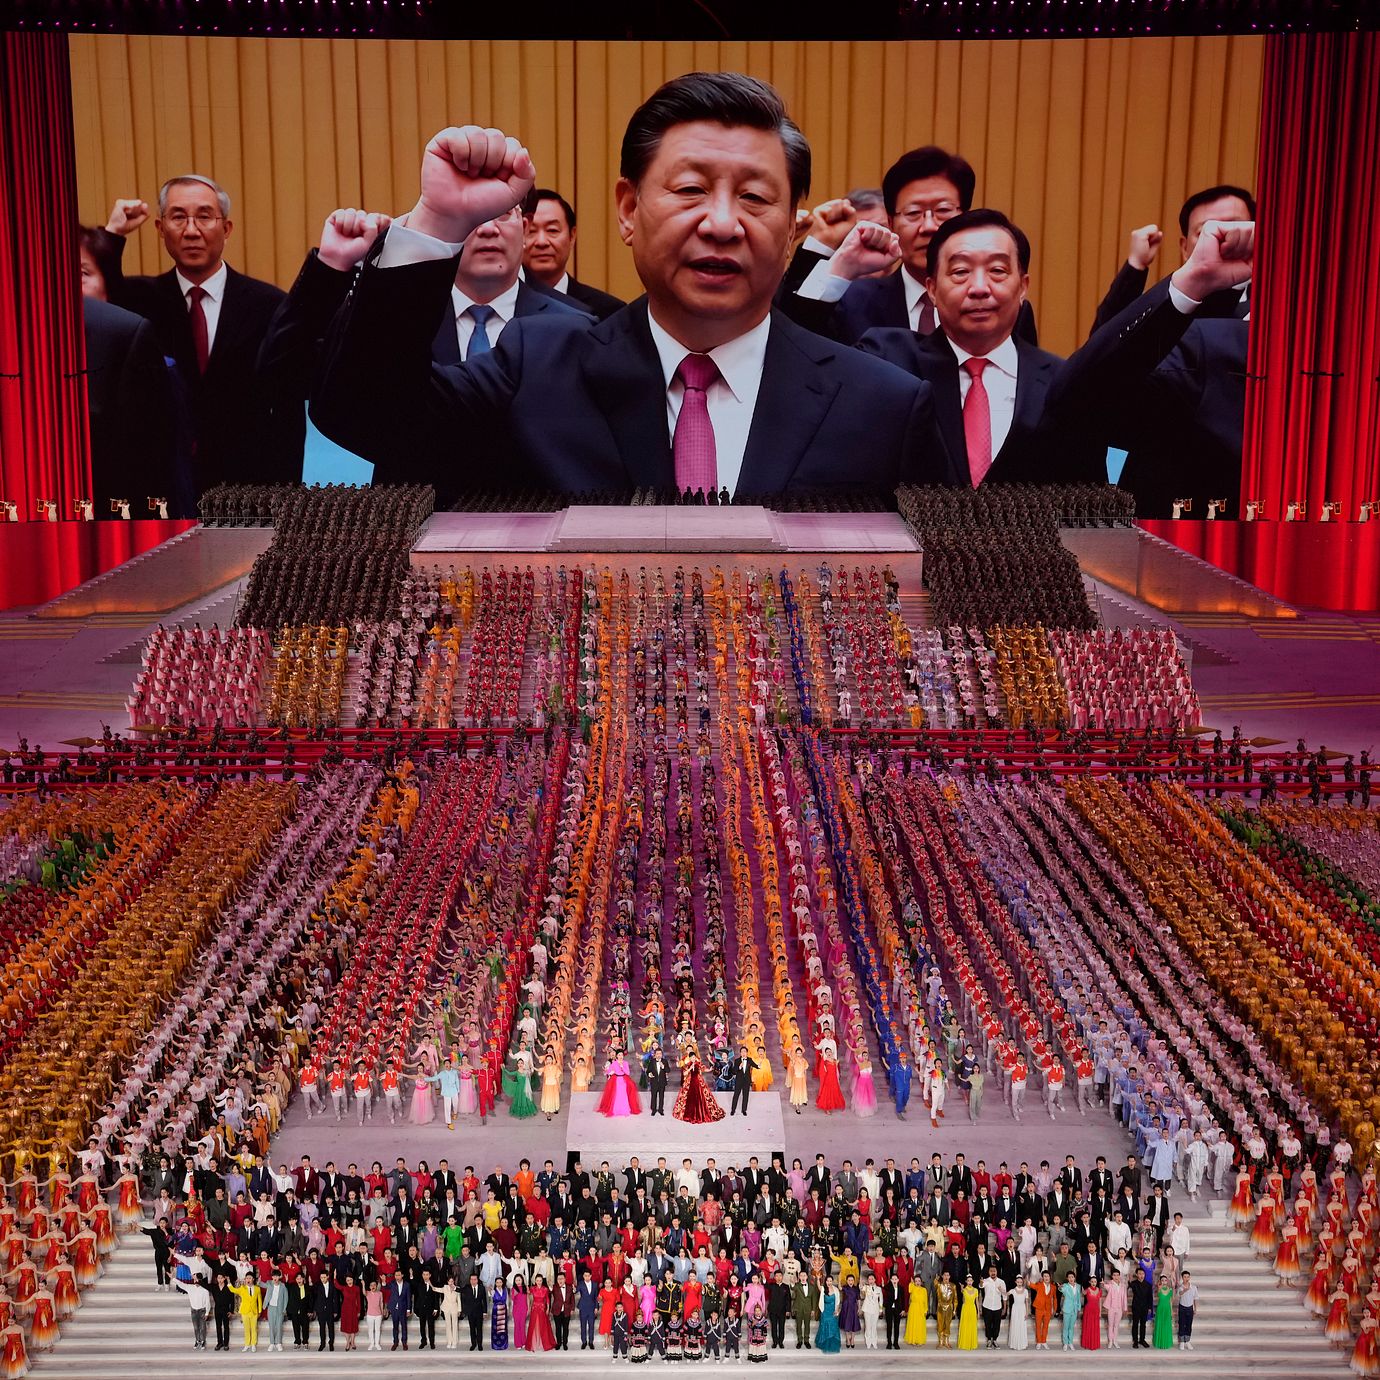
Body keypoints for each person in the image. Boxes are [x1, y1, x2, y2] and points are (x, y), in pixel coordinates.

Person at [306, 72, 949, 500]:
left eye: (756, 198)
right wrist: (438, 223)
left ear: (790, 230)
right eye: (690, 189)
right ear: (628, 209)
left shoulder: (884, 404)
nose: (722, 223)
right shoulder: (537, 369)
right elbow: (365, 417)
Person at [856, 209, 1106, 487]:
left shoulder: (1062, 382)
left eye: (997, 271)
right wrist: (839, 270)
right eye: (960, 272)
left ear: (1023, 287)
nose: (979, 288)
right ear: (932, 289)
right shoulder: (890, 358)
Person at [95, 179, 302, 502]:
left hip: (247, 491)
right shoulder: (138, 300)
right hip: (160, 486)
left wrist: (285, 496)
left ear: (226, 228)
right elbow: (98, 298)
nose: (191, 231)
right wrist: (113, 234)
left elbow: (288, 411)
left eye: (204, 216)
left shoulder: (270, 304)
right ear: (161, 229)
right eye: (178, 217)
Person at [1052, 214, 1254, 517]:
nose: (1227, 240)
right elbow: (1080, 397)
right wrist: (1190, 280)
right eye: (1210, 231)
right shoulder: (1202, 343)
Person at [780, 144, 1037, 346]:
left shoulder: (1001, 306)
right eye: (913, 213)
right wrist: (835, 258)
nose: (929, 226)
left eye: (943, 210)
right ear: (891, 223)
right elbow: (790, 336)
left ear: (965, 217)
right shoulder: (853, 301)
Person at [1090, 184, 1256, 333]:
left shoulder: (1269, 304)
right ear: (1185, 248)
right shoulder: (1172, 301)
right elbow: (1103, 348)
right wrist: (1135, 266)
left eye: (1234, 226)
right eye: (1204, 231)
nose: (1221, 235)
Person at [522, 188, 627, 320]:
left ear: (572, 236)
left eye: (552, 230)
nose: (541, 242)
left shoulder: (609, 311)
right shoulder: (503, 304)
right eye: (531, 231)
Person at [173, 1271, 211, 1350]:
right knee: (196, 1327)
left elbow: (208, 1303)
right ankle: (197, 1340)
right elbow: (181, 1284)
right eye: (194, 1279)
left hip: (202, 1311)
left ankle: (203, 1341)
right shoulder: (190, 1288)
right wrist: (173, 1278)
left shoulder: (205, 1290)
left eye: (196, 1279)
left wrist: (207, 1313)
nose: (195, 1280)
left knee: (202, 1327)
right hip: (193, 1310)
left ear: (200, 1280)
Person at [730, 1046, 760, 1117]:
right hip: (739, 1081)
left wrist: (759, 1066)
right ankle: (733, 1110)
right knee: (736, 1095)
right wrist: (739, 1067)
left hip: (746, 1081)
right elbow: (733, 1072)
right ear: (740, 1053)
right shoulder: (737, 1061)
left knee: (745, 1096)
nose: (743, 1053)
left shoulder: (749, 1060)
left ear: (747, 1053)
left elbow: (755, 1065)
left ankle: (744, 1110)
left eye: (745, 1052)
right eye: (742, 1052)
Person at [1129, 1265, 1153, 1349]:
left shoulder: (1148, 1285)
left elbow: (1150, 1297)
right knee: (1135, 1324)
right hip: (1136, 1306)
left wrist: (1150, 1308)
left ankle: (1142, 1340)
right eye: (1139, 1274)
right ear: (1136, 1274)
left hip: (1145, 1307)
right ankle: (1135, 1341)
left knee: (1143, 1324)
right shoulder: (1133, 1283)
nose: (1141, 1275)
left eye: (1143, 1274)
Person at [815, 1278, 841, 1353]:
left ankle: (832, 1343)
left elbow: (838, 1301)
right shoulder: (823, 1288)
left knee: (833, 1326)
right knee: (825, 1326)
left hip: (833, 1311)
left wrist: (836, 1310)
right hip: (825, 1311)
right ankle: (824, 1343)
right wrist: (818, 1279)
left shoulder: (836, 1289)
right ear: (825, 1281)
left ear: (832, 1281)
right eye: (827, 1281)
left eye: (830, 1281)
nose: (829, 1282)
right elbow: (818, 1286)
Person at [956, 1274, 980, 1350]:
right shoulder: (964, 1290)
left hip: (972, 1308)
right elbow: (962, 1298)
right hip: (965, 1309)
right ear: (966, 1281)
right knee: (965, 1325)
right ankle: (964, 1343)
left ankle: (971, 1343)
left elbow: (977, 1302)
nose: (969, 1282)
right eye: (968, 1281)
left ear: (973, 1281)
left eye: (971, 1281)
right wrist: (961, 1288)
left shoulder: (976, 1290)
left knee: (972, 1325)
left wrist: (978, 1312)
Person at [1176, 1272, 1198, 1351]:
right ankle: (1182, 1341)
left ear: (1189, 1277)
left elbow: (1195, 1298)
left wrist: (1195, 1308)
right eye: (1185, 1277)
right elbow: (1178, 1294)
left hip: (1190, 1308)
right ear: (1182, 1278)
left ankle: (1187, 1341)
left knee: (1189, 1324)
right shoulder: (1180, 1287)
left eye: (1188, 1277)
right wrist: (1184, 1291)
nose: (1186, 1278)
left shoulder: (1194, 1287)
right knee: (1181, 1324)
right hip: (1182, 1307)